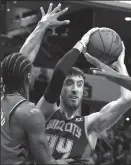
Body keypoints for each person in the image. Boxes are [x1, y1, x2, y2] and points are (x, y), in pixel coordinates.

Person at [37, 27, 131, 163]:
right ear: (60, 88)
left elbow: (127, 99)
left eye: (79, 85)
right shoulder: (46, 112)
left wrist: (120, 65)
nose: (75, 89)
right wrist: (83, 41)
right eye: (69, 83)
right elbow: (60, 72)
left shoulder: (90, 125)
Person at [1, 3, 74, 165]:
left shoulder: (2, 94)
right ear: (28, 77)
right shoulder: (31, 113)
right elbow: (46, 162)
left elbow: (22, 58)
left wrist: (42, 25)